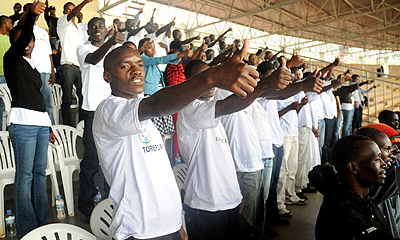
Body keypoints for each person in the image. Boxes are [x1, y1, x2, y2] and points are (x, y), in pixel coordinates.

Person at [92, 40, 258, 240]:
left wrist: (177, 222)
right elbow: (156, 104)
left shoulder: (141, 112)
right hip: (140, 231)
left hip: (168, 226)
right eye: (125, 66)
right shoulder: (109, 110)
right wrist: (211, 77)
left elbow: (160, 174)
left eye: (140, 64)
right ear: (107, 76)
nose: (136, 71)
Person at [177, 57, 291, 240]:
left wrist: (235, 196)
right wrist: (263, 85)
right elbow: (227, 105)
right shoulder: (190, 109)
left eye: (212, 77)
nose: (211, 83)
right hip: (206, 204)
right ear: (190, 83)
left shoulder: (209, 109)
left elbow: (224, 159)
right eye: (204, 78)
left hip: (227, 201)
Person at [4, 0, 53, 237]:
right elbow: (22, 37)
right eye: (22, 39)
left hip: (41, 124)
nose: (27, 43)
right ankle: (27, 226)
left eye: (30, 40)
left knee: (38, 172)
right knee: (24, 175)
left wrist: (50, 126)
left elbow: (40, 100)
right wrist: (32, 16)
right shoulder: (10, 60)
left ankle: (43, 219)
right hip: (22, 124)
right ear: (14, 42)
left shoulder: (33, 67)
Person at [76, 18, 124, 221]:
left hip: (114, 110)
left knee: (115, 160)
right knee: (91, 162)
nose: (97, 29)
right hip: (93, 113)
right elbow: (94, 59)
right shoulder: (83, 49)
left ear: (107, 30)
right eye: (93, 26)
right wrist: (111, 42)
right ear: (88, 30)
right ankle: (86, 209)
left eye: (100, 27)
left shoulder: (114, 51)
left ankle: (111, 203)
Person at [314, 135, 392, 240]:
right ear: (353, 167)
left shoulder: (362, 199)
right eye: (377, 159)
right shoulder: (346, 216)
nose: (384, 164)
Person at [57, 0, 94, 126]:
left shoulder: (78, 28)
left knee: (82, 96)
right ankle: (67, 125)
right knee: (67, 98)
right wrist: (86, 1)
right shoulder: (62, 22)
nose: (72, 12)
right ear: (64, 11)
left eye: (73, 9)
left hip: (79, 66)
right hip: (67, 65)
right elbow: (72, 14)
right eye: (69, 9)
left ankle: (82, 124)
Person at [30, 7, 56, 124]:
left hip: (45, 72)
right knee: (32, 103)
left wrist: (52, 71)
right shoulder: (20, 28)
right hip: (30, 71)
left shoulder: (43, 32)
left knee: (48, 104)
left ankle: (51, 129)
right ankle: (36, 127)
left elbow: (49, 53)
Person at [0, 15, 12, 130]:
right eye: (10, 23)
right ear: (4, 23)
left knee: (4, 106)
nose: (11, 25)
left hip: (7, 75)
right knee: (2, 106)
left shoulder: (9, 39)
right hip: (1, 76)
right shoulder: (6, 39)